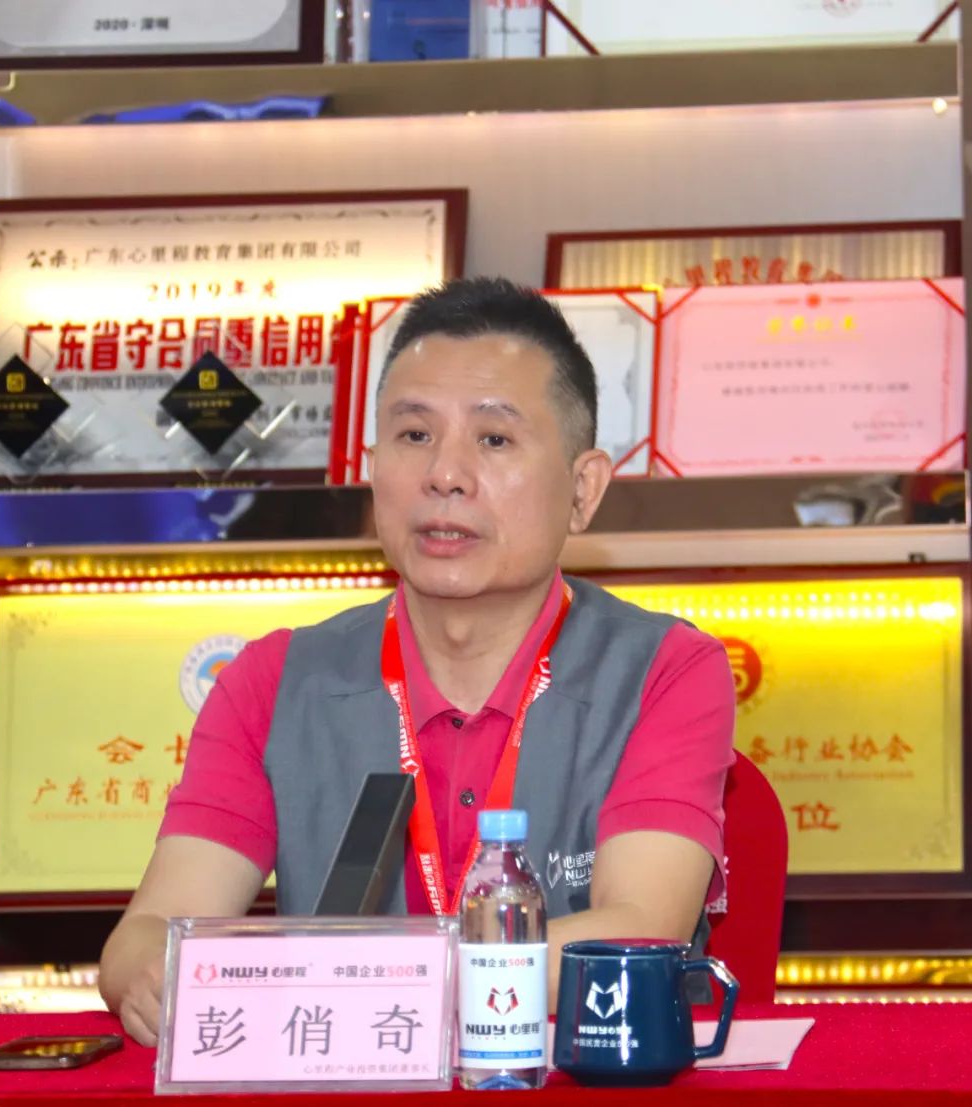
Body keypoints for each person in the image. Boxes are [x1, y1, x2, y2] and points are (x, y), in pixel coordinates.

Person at [99, 277, 735, 1046]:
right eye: (413, 435)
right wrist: (153, 972)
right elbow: (149, 933)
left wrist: (360, 981)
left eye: (494, 439)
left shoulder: (667, 670)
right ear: (373, 467)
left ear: (582, 488)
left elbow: (637, 930)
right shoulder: (272, 682)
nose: (445, 474)